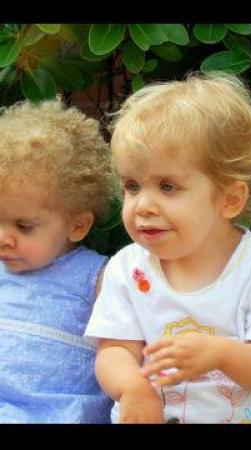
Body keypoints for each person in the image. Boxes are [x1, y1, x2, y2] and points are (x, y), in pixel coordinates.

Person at [84, 71, 251, 424]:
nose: (143, 205)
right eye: (132, 186)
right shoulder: (129, 269)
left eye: (167, 187)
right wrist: (132, 387)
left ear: (229, 199)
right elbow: (115, 350)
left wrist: (221, 355)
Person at [0, 98, 115, 423]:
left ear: (77, 225)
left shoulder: (98, 277)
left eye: (23, 226)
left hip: (57, 412)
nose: (3, 238)